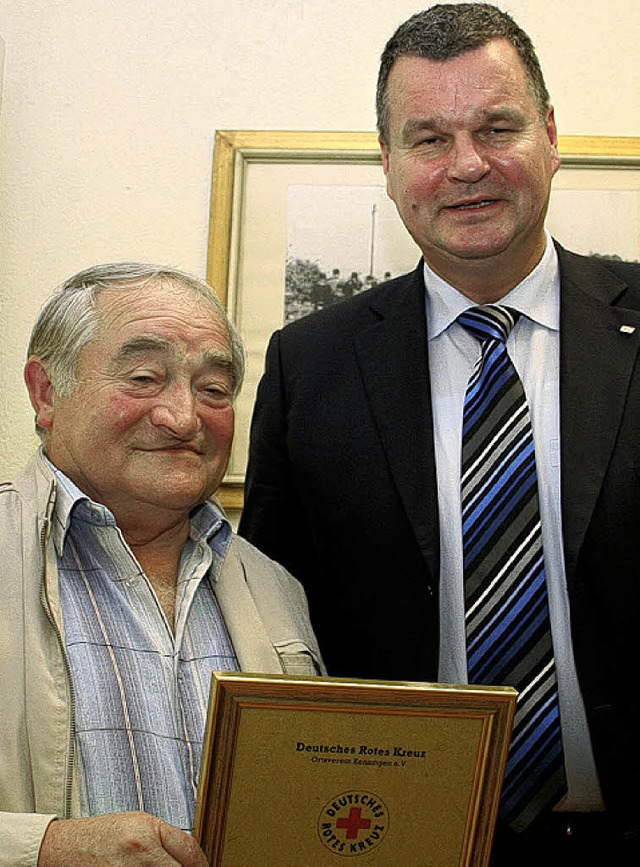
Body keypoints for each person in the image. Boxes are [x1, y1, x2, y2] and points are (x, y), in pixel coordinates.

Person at [239, 3, 640, 863]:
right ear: (387, 162)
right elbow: (269, 617)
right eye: (428, 139)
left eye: (497, 126)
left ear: (551, 135)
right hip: (398, 835)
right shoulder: (311, 365)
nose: (468, 166)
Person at [0, 262, 324, 866]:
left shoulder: (274, 586)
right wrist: (42, 847)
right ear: (46, 393)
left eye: (214, 389)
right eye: (145, 378)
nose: (184, 418)